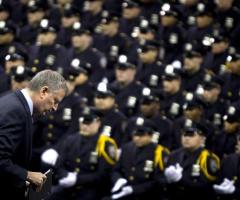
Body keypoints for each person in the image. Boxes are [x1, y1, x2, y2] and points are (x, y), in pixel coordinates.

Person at [0, 69, 68, 199]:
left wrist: (20, 179)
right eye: (55, 100)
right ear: (44, 91)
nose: (55, 108)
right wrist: (27, 175)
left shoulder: (13, 100)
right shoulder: (16, 111)